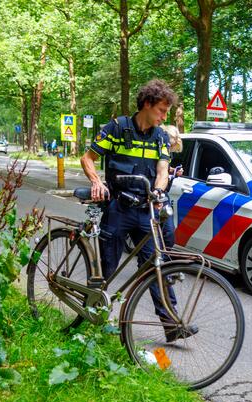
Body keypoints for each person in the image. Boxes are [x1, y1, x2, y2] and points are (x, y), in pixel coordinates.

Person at [80, 79, 196, 342]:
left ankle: (171, 325)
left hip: (146, 211)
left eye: (167, 112)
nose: (165, 117)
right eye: (161, 111)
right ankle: (94, 319)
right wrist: (97, 181)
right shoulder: (117, 128)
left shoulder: (160, 137)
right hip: (118, 209)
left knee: (155, 266)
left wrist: (158, 191)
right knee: (108, 267)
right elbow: (88, 158)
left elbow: (162, 171)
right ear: (146, 104)